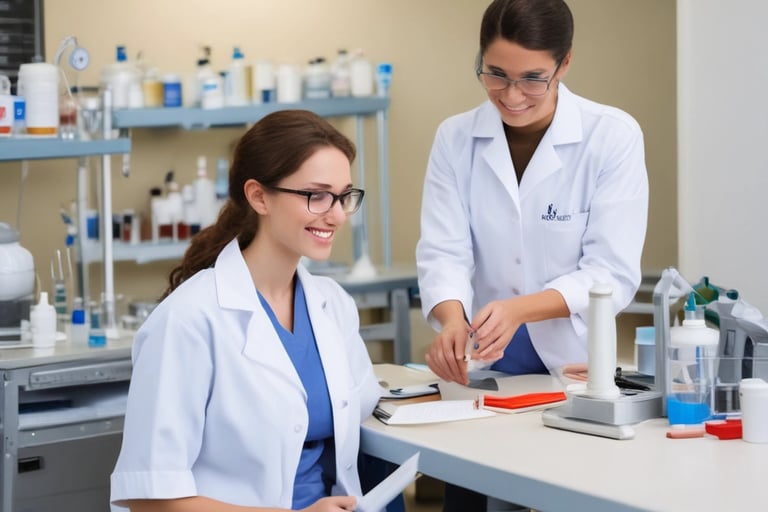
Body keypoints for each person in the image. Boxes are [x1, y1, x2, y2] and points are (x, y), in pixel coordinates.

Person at [416, 0, 648, 509]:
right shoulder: (455, 138)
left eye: (532, 78)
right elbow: (443, 250)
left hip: (573, 365)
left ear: (564, 64)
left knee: (561, 491)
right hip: (485, 368)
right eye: (495, 74)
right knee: (476, 495)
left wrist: (520, 309)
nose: (512, 95)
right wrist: (452, 321)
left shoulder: (610, 136)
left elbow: (611, 273)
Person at [110, 110, 384, 512]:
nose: (338, 214)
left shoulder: (332, 303)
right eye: (317, 195)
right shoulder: (189, 319)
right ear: (258, 196)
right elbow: (148, 499)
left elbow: (360, 405)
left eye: (344, 196)